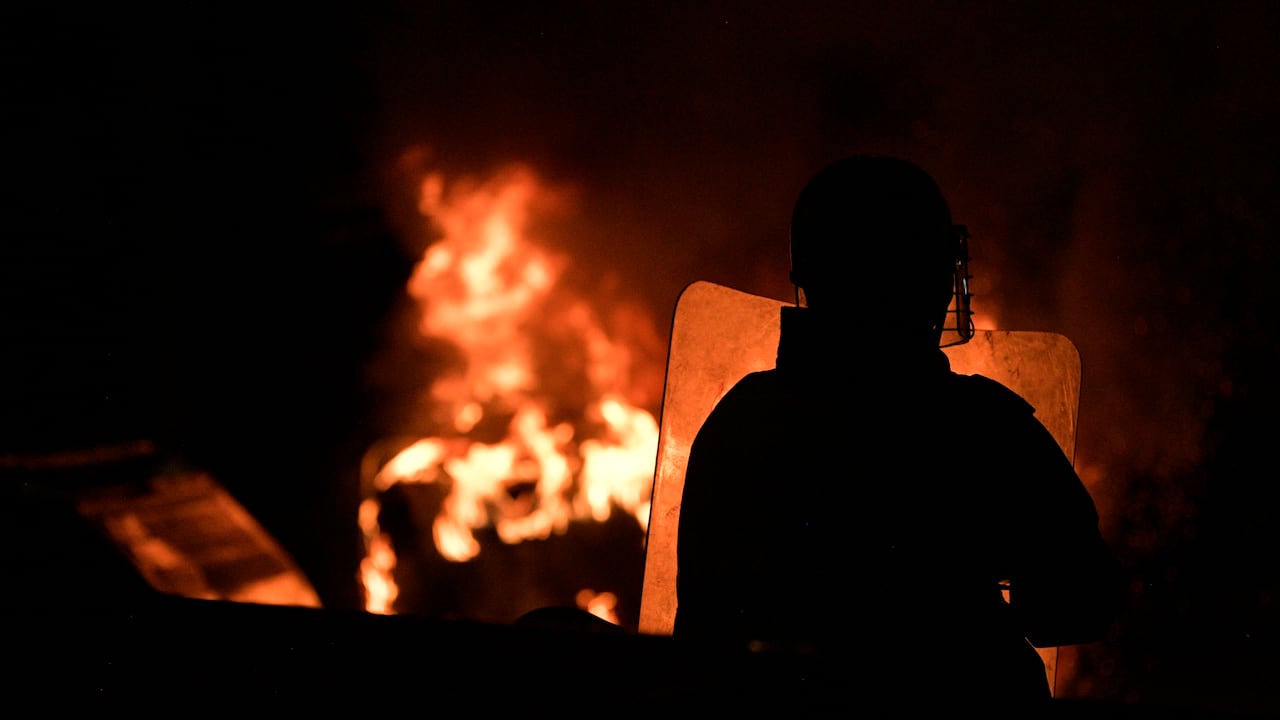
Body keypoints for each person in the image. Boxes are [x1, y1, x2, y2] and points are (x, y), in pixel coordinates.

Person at [672, 155, 1125, 710]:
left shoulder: (743, 421)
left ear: (810, 276)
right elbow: (1081, 601)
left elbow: (705, 626)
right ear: (932, 277)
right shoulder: (984, 427)